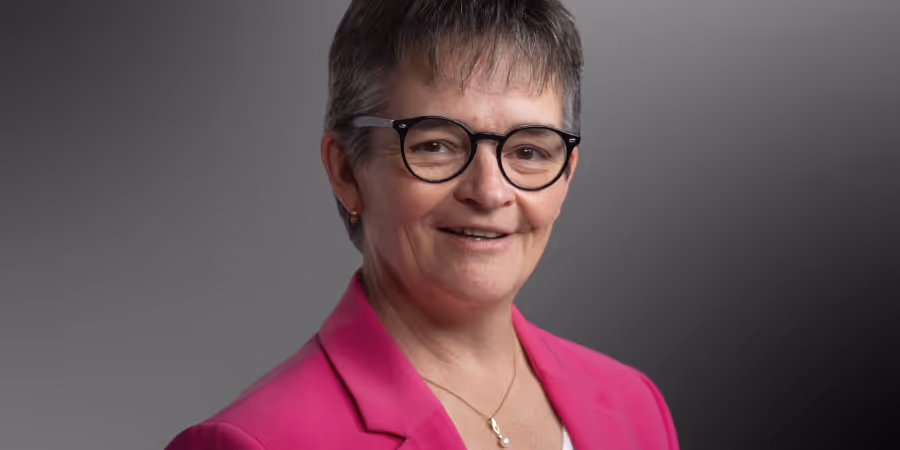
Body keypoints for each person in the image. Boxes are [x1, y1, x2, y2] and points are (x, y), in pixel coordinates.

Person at [165, 0, 678, 449]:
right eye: (436, 145)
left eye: (527, 151)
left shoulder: (636, 406)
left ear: (566, 174)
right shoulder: (252, 444)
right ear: (347, 171)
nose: (489, 191)